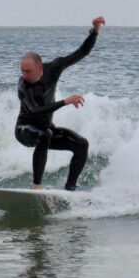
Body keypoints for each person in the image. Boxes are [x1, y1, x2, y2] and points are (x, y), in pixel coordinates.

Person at [15, 16, 105, 190]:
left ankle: (70, 189)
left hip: (47, 129)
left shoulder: (54, 68)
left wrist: (95, 31)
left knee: (81, 144)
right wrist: (65, 102)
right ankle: (37, 185)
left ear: (40, 67)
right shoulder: (23, 85)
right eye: (22, 71)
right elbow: (34, 111)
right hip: (24, 131)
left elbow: (81, 53)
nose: (24, 75)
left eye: (28, 71)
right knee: (45, 134)